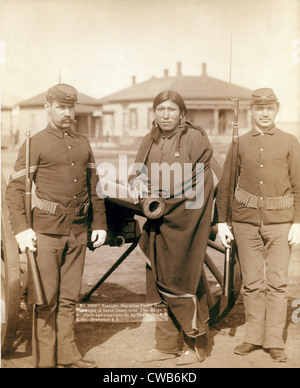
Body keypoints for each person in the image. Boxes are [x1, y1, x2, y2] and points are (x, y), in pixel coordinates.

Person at [5, 83, 107, 368]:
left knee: (69, 297)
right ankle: (46, 361)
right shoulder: (35, 143)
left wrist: (99, 222)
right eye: (60, 107)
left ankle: (68, 355)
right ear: (48, 108)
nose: (66, 113)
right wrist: (22, 229)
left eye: (70, 107)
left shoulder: (83, 142)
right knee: (46, 298)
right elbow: (14, 191)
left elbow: (93, 185)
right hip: (46, 232)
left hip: (77, 232)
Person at [129, 90, 214, 365]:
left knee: (183, 278)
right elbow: (136, 170)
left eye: (171, 110)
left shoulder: (195, 138)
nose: (165, 114)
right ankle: (165, 345)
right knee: (156, 280)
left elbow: (201, 184)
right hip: (156, 221)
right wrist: (138, 184)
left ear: (182, 114)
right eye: (160, 109)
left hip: (185, 222)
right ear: (154, 113)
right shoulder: (149, 140)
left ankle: (194, 343)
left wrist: (166, 200)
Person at [216, 88, 300, 362]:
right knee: (252, 284)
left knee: (276, 283)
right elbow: (226, 185)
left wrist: (298, 222)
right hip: (245, 223)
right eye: (259, 108)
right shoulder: (239, 143)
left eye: (270, 108)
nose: (264, 113)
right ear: (251, 111)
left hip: (280, 223)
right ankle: (253, 336)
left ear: (276, 110)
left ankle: (274, 340)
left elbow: (299, 184)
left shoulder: (290, 142)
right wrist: (222, 222)